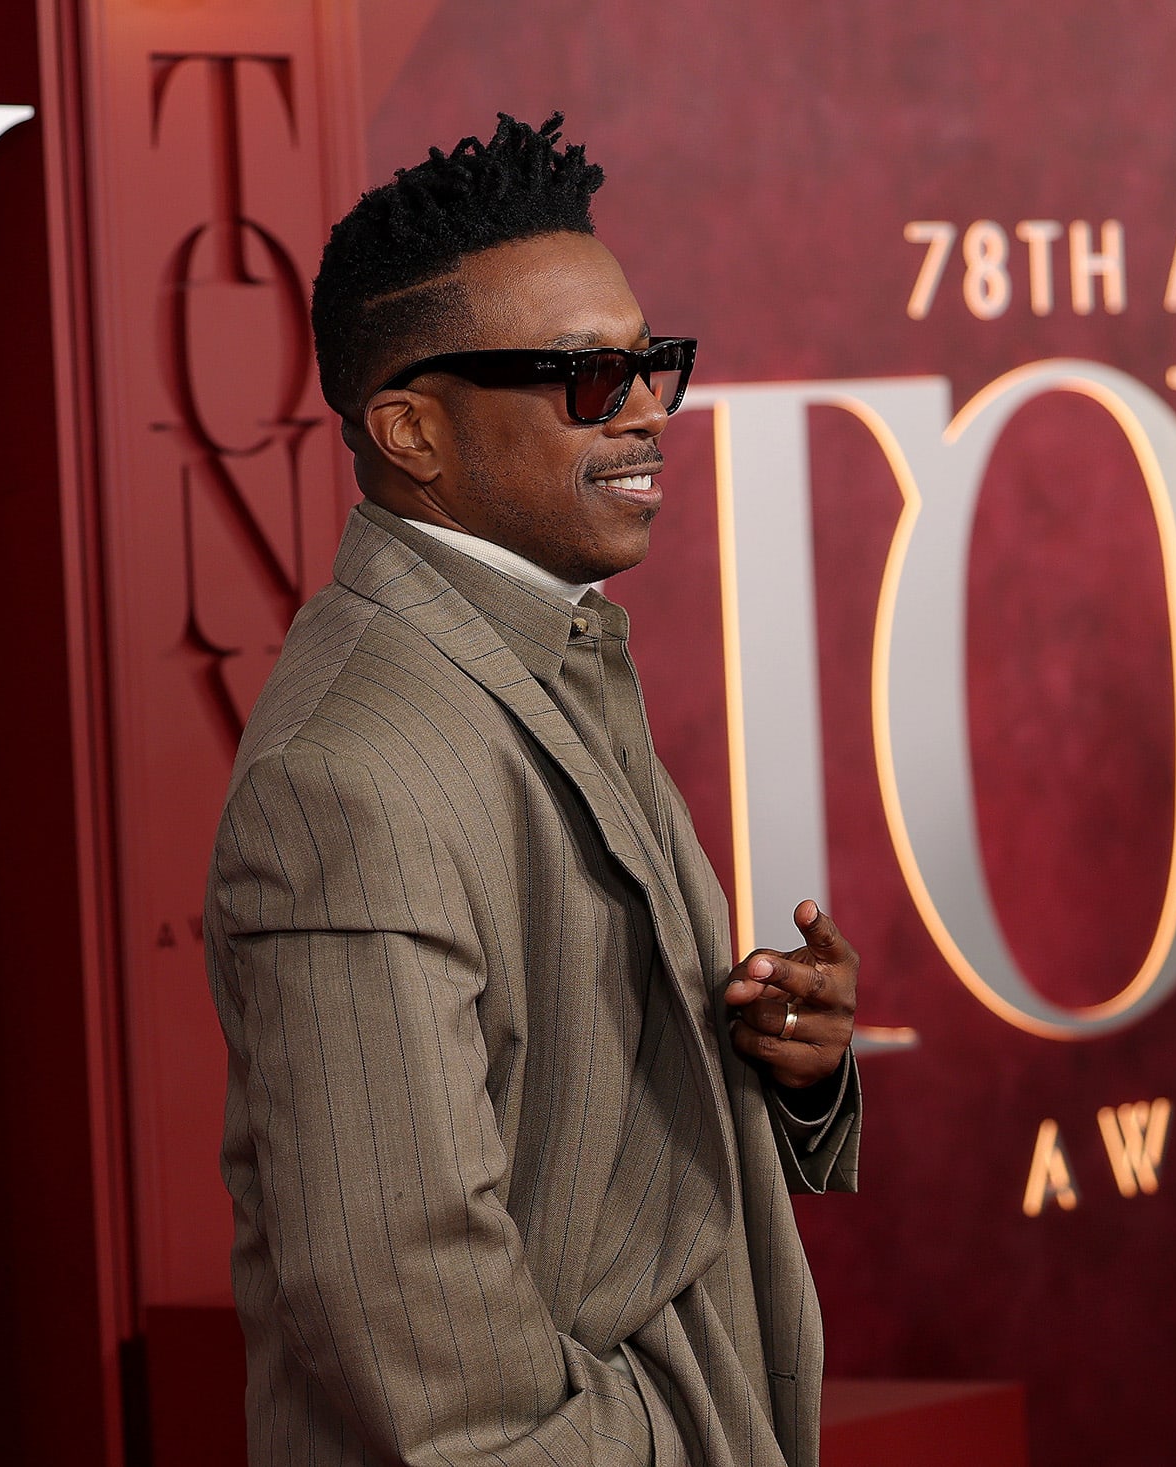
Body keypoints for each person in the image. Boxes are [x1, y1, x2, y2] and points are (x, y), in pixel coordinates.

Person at [204, 113, 863, 1467]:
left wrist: (788, 1075)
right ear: (412, 432)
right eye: (585, 378)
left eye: (649, 364)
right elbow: (399, 1306)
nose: (647, 410)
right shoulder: (349, 774)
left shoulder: (546, 643)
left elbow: (583, 1142)